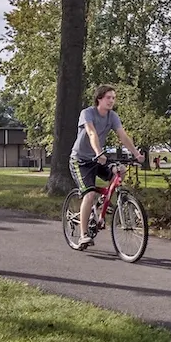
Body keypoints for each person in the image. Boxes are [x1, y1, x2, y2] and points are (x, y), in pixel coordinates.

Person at [69, 84, 143, 250]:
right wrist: (98, 152)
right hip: (80, 160)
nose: (111, 101)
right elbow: (91, 133)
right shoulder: (87, 113)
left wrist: (136, 154)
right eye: (108, 97)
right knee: (89, 194)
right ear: (99, 99)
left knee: (120, 171)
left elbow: (122, 135)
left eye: (113, 98)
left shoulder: (112, 116)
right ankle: (83, 235)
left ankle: (103, 205)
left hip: (98, 158)